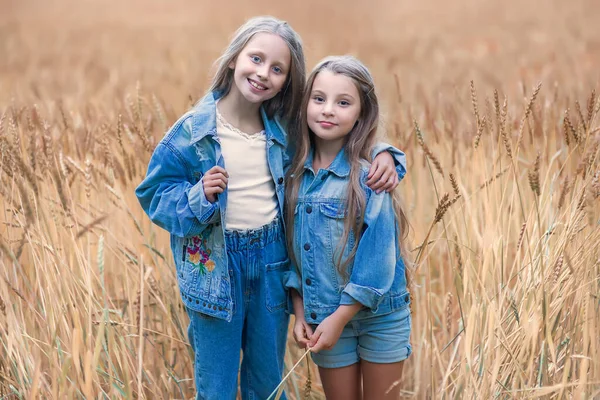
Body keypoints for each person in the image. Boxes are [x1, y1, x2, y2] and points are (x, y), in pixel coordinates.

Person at [136, 16, 404, 400]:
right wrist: (199, 196)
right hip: (214, 266)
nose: (264, 73)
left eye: (277, 69)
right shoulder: (192, 133)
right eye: (256, 59)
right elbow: (153, 194)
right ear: (233, 59)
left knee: (267, 382)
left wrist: (386, 155)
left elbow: (341, 141)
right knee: (217, 386)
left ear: (287, 81)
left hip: (272, 264)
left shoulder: (284, 130)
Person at [285, 55, 412, 400]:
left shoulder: (371, 177)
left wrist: (340, 317)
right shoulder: (292, 178)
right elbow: (293, 257)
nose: (328, 110)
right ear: (305, 104)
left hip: (380, 317)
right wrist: (300, 314)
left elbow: (378, 260)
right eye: (319, 99)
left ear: (361, 112)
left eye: (343, 102)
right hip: (323, 318)